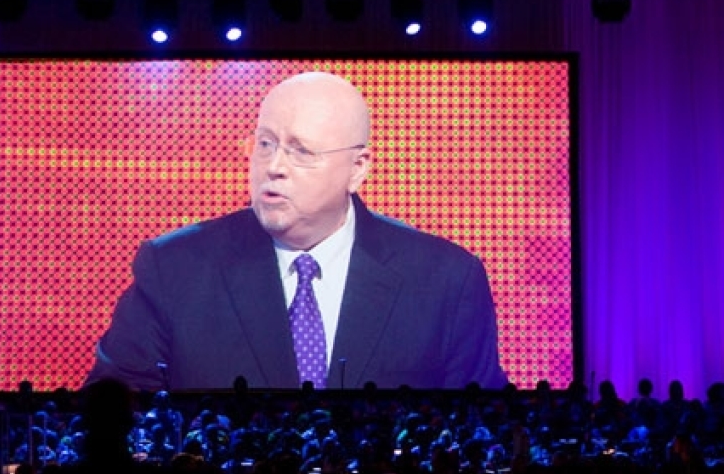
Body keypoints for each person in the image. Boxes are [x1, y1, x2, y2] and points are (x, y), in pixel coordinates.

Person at [83, 71, 507, 392]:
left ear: (357, 169)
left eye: (301, 151)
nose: (274, 167)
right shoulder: (174, 268)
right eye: (265, 144)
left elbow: (483, 428)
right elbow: (111, 415)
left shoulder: (447, 280)